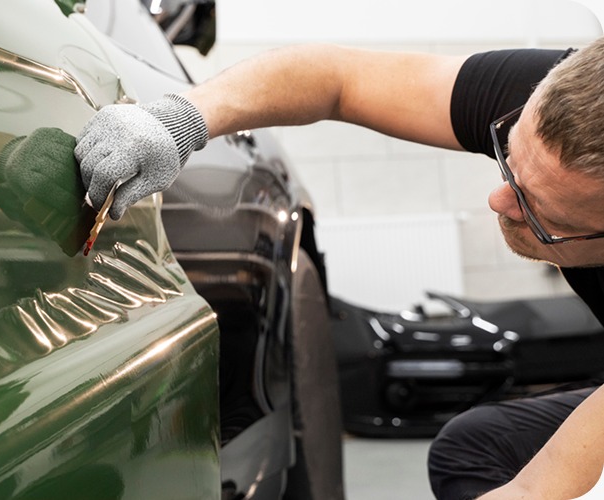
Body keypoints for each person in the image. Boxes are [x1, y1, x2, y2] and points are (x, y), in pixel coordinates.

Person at [74, 36, 604, 499]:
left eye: (541, 211)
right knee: (474, 447)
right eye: (509, 157)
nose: (498, 200)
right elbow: (336, 78)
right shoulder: (569, 94)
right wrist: (183, 118)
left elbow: (536, 490)